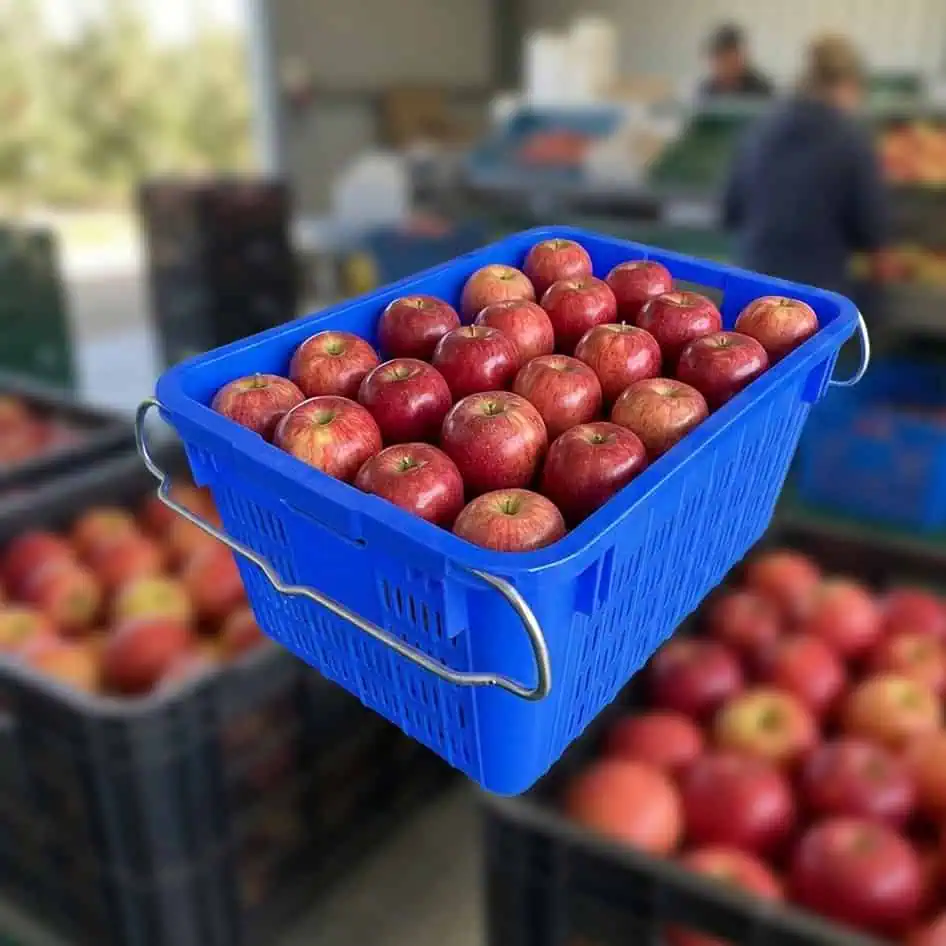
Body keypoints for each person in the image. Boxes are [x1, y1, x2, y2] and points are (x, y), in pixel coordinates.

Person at [722, 35, 890, 295]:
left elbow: (730, 210)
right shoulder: (851, 140)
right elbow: (872, 230)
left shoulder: (760, 128)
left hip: (751, 279)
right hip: (815, 295)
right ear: (849, 85)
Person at [700, 24, 773, 99]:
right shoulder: (707, 90)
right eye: (720, 59)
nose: (725, 66)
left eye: (729, 58)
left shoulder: (759, 87)